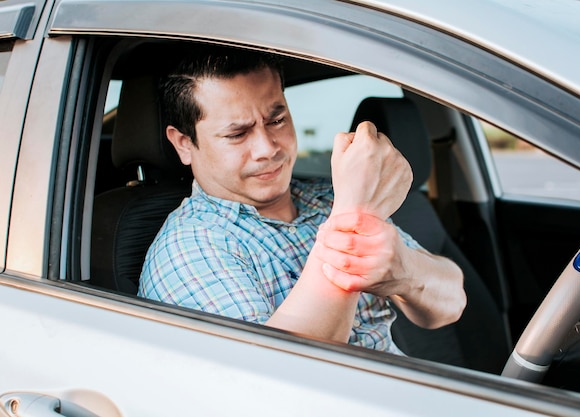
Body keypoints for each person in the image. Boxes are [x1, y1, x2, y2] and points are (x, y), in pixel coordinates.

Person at [138, 47, 466, 354]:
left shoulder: (325, 197)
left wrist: (404, 271)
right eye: (238, 134)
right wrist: (353, 217)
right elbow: (276, 376)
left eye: (277, 120)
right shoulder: (188, 248)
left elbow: (451, 302)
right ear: (183, 144)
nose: (268, 148)